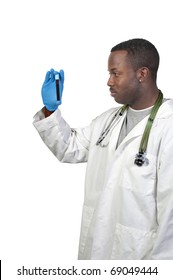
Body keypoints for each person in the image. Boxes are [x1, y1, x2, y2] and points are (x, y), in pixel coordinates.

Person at [33, 38, 173, 260]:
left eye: (115, 73)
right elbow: (70, 147)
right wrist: (50, 110)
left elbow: (170, 218)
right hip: (97, 252)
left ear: (142, 74)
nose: (109, 81)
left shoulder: (168, 126)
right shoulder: (108, 121)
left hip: (140, 259)